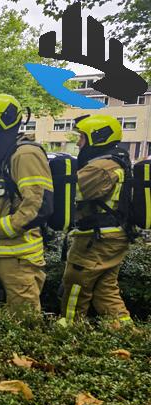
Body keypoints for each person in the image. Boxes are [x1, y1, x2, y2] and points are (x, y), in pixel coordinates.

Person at [0, 93, 53, 313]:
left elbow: (38, 206)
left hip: (20, 260)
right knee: (6, 329)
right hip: (5, 256)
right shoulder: (7, 156)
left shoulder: (25, 154)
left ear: (3, 122)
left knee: (24, 326)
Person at [59, 114, 133, 326]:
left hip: (96, 240)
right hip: (113, 236)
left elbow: (72, 193)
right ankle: (126, 334)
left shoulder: (100, 167)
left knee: (75, 285)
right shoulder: (116, 161)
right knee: (106, 291)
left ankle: (69, 331)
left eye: (82, 137)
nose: (78, 143)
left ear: (97, 138)